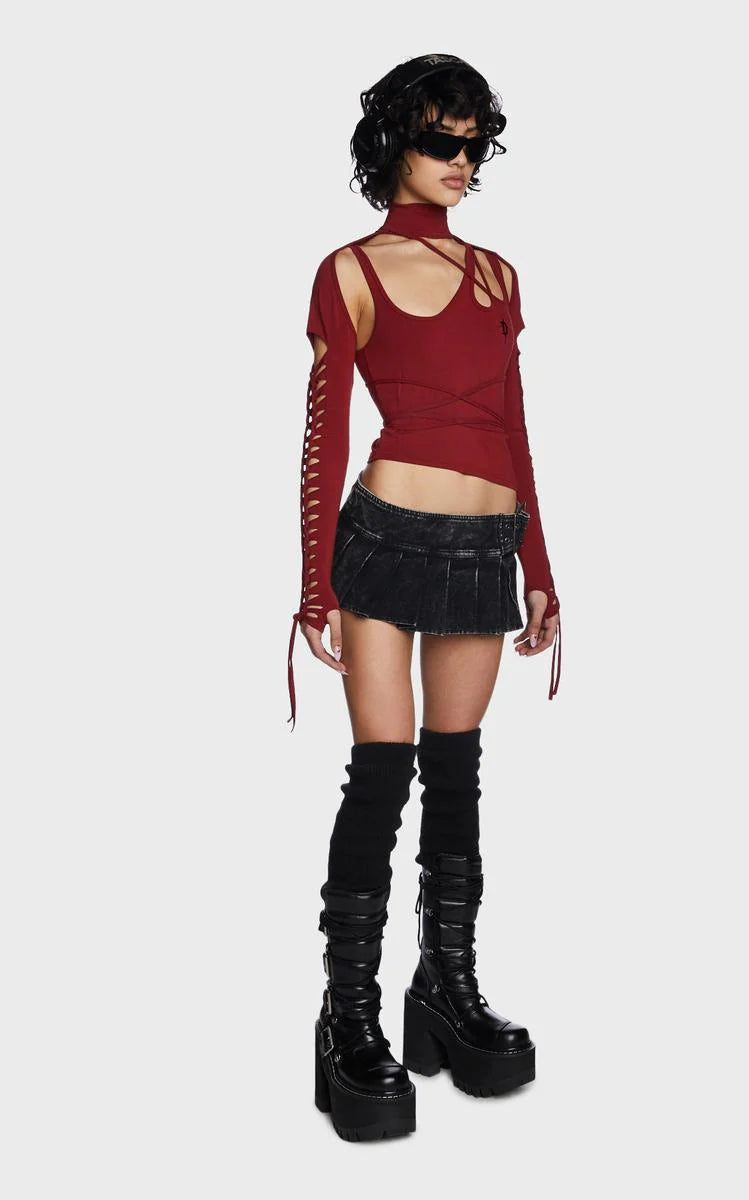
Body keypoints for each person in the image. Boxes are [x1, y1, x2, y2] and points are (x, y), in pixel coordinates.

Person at [290, 54, 563, 1140]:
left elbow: (514, 430)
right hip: (385, 541)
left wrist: (540, 569)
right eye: (439, 140)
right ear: (394, 143)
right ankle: (347, 1018)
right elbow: (323, 434)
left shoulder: (497, 276)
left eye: (473, 143)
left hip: (484, 545)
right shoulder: (350, 268)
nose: (460, 160)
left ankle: (444, 989)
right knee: (382, 774)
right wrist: (311, 584)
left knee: (457, 775)